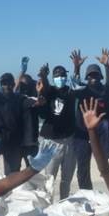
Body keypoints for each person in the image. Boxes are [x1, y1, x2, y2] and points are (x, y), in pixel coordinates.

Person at [63, 49, 109, 194]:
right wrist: (77, 67)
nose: (93, 78)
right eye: (90, 75)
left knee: (103, 167)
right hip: (82, 134)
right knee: (83, 168)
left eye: (96, 75)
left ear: (100, 77)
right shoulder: (82, 89)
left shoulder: (106, 91)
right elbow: (73, 84)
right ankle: (86, 194)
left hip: (101, 135)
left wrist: (107, 66)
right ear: (86, 77)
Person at [36, 61, 77, 199]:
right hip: (51, 142)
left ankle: (63, 202)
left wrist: (77, 66)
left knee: (67, 178)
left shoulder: (70, 93)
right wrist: (43, 76)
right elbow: (46, 88)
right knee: (49, 179)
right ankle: (47, 207)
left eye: (63, 75)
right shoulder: (50, 92)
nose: (60, 78)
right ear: (53, 78)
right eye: (57, 76)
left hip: (69, 142)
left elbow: (75, 81)